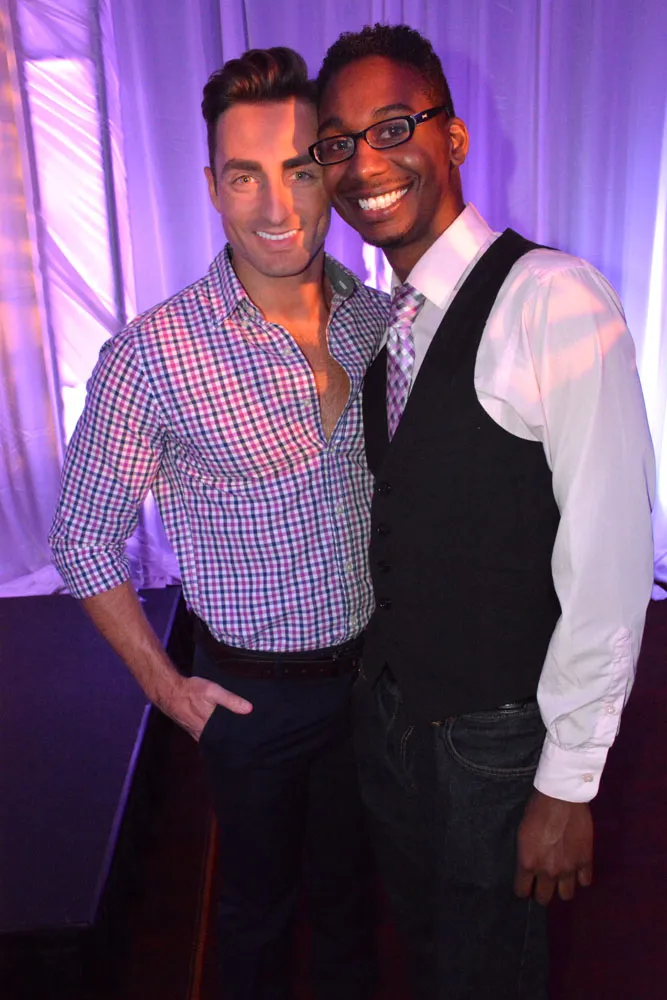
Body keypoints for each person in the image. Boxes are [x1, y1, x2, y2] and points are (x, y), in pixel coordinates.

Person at [311, 22, 656, 1000]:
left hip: (496, 739)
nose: (363, 163)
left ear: (452, 138)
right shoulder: (387, 323)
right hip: (395, 722)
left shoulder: (553, 297)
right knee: (428, 953)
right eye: (338, 142)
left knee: (488, 974)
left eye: (392, 127)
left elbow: (609, 556)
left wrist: (567, 782)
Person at [49, 46, 389, 1000]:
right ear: (211, 186)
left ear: (331, 171)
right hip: (249, 698)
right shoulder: (151, 354)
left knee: (355, 905)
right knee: (252, 919)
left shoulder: (375, 319)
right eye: (245, 176)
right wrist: (162, 686)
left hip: (372, 681)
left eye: (299, 169)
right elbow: (79, 538)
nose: (277, 206)